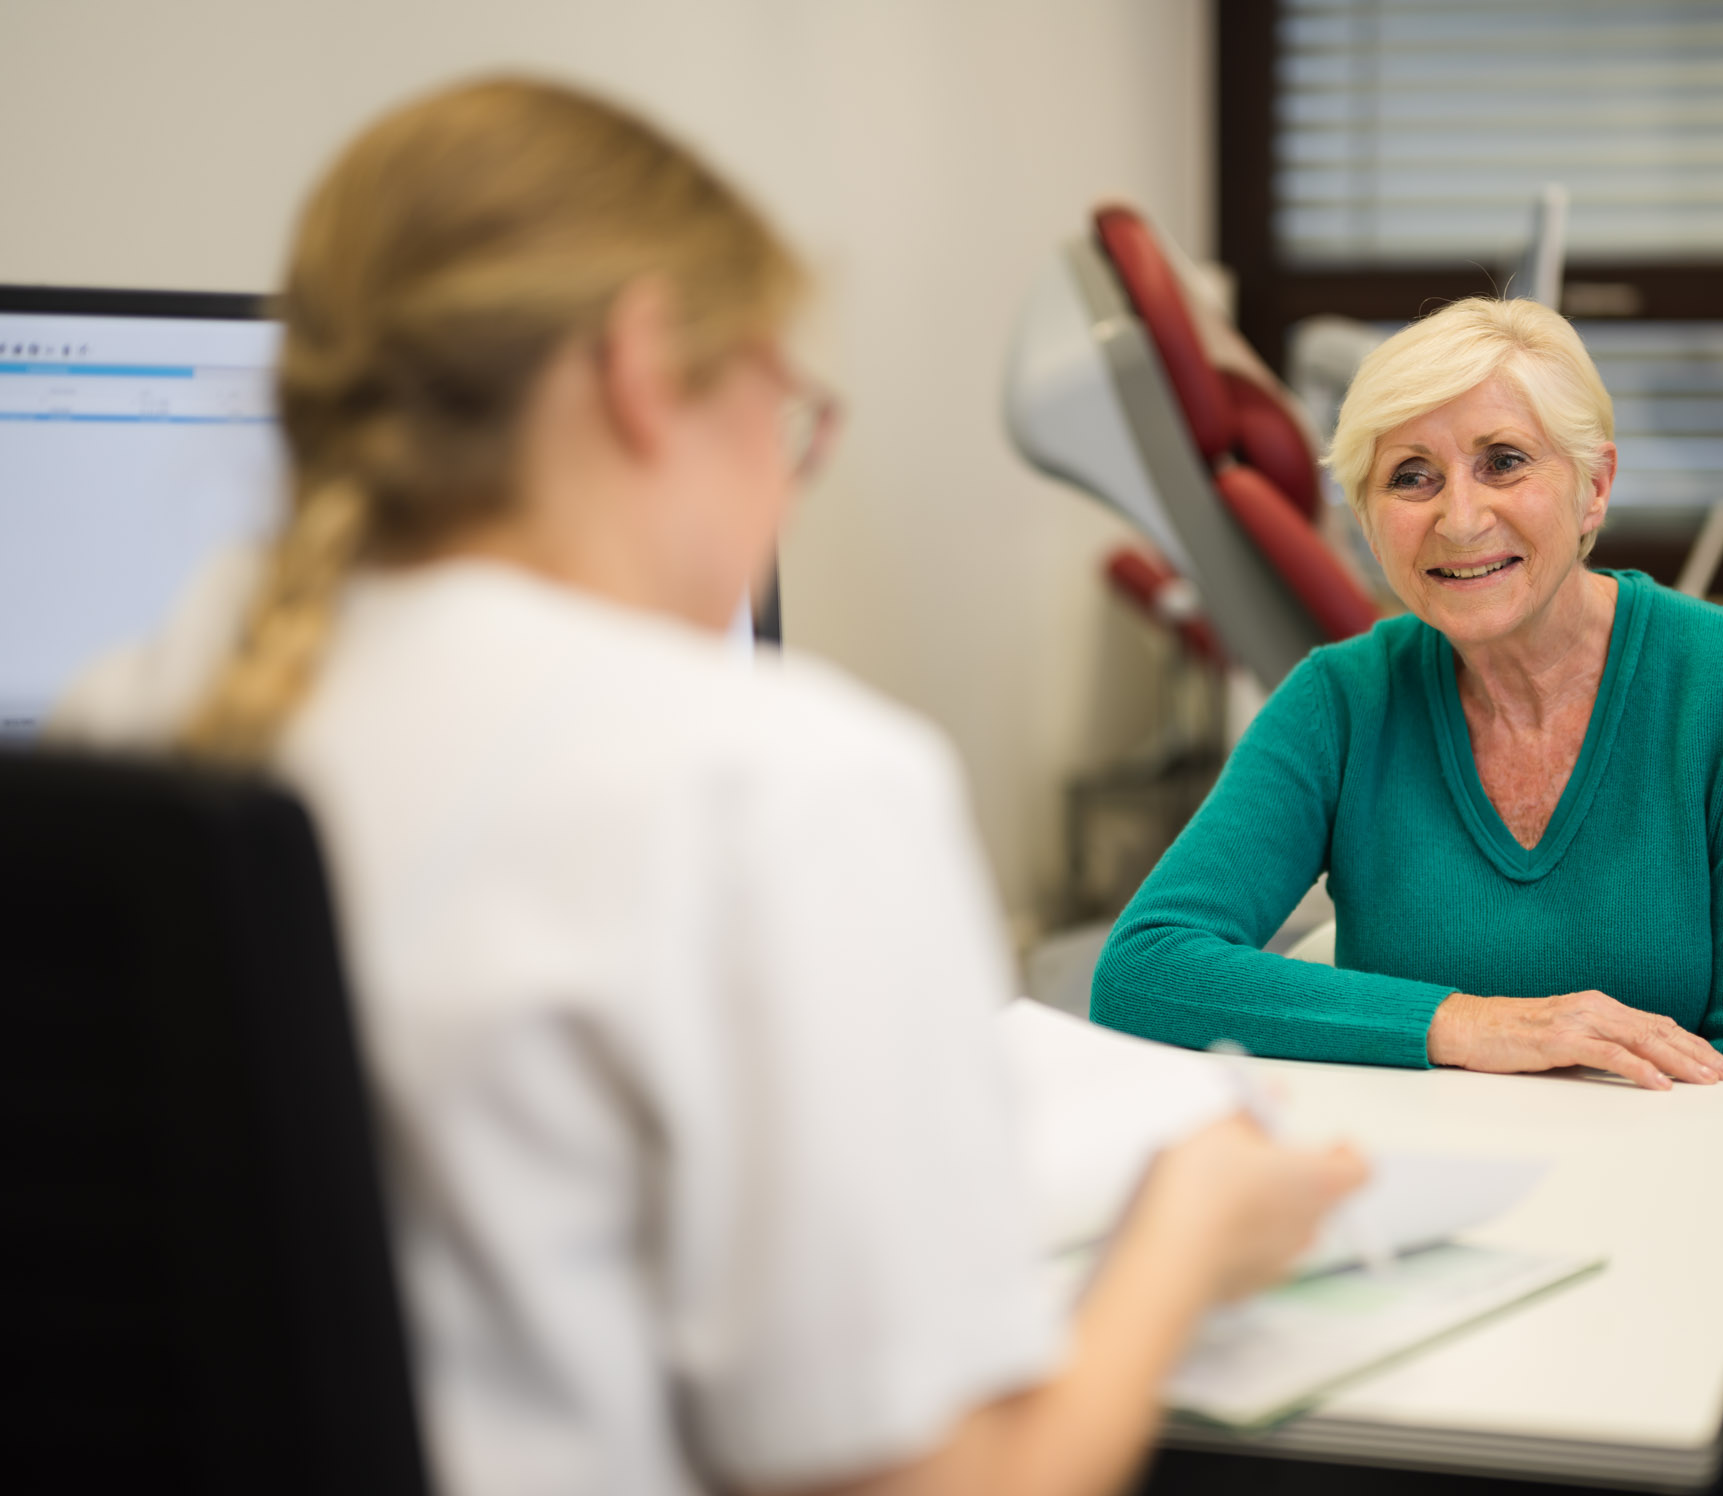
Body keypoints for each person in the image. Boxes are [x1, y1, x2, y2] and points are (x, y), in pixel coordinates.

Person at [48, 78, 1363, 1496]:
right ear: (637, 365)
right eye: (786, 412)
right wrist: (1183, 1239)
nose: (784, 480)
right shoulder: (775, 784)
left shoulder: (119, 718)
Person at [1090, 296, 1723, 1438]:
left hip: (1683, 1240)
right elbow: (1144, 966)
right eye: (1412, 476)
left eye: (1503, 461)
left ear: (1594, 487)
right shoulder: (1340, 699)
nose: (1460, 516)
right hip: (1428, 1241)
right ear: (1369, 518)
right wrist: (1473, 1022)